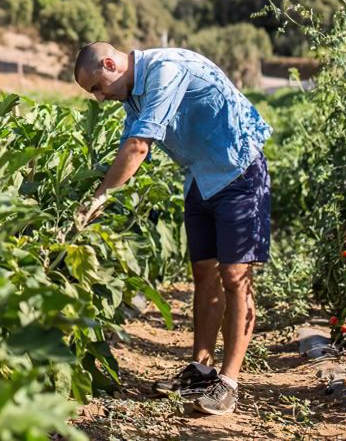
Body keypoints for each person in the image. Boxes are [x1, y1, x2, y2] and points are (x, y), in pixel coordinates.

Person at [73, 42, 272, 416]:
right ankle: (200, 369)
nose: (99, 98)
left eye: (97, 87)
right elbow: (124, 151)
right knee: (204, 275)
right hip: (201, 178)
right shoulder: (133, 96)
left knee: (235, 277)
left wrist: (97, 201)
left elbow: (137, 147)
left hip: (239, 171)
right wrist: (93, 187)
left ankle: (228, 384)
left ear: (111, 63)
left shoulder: (165, 69)